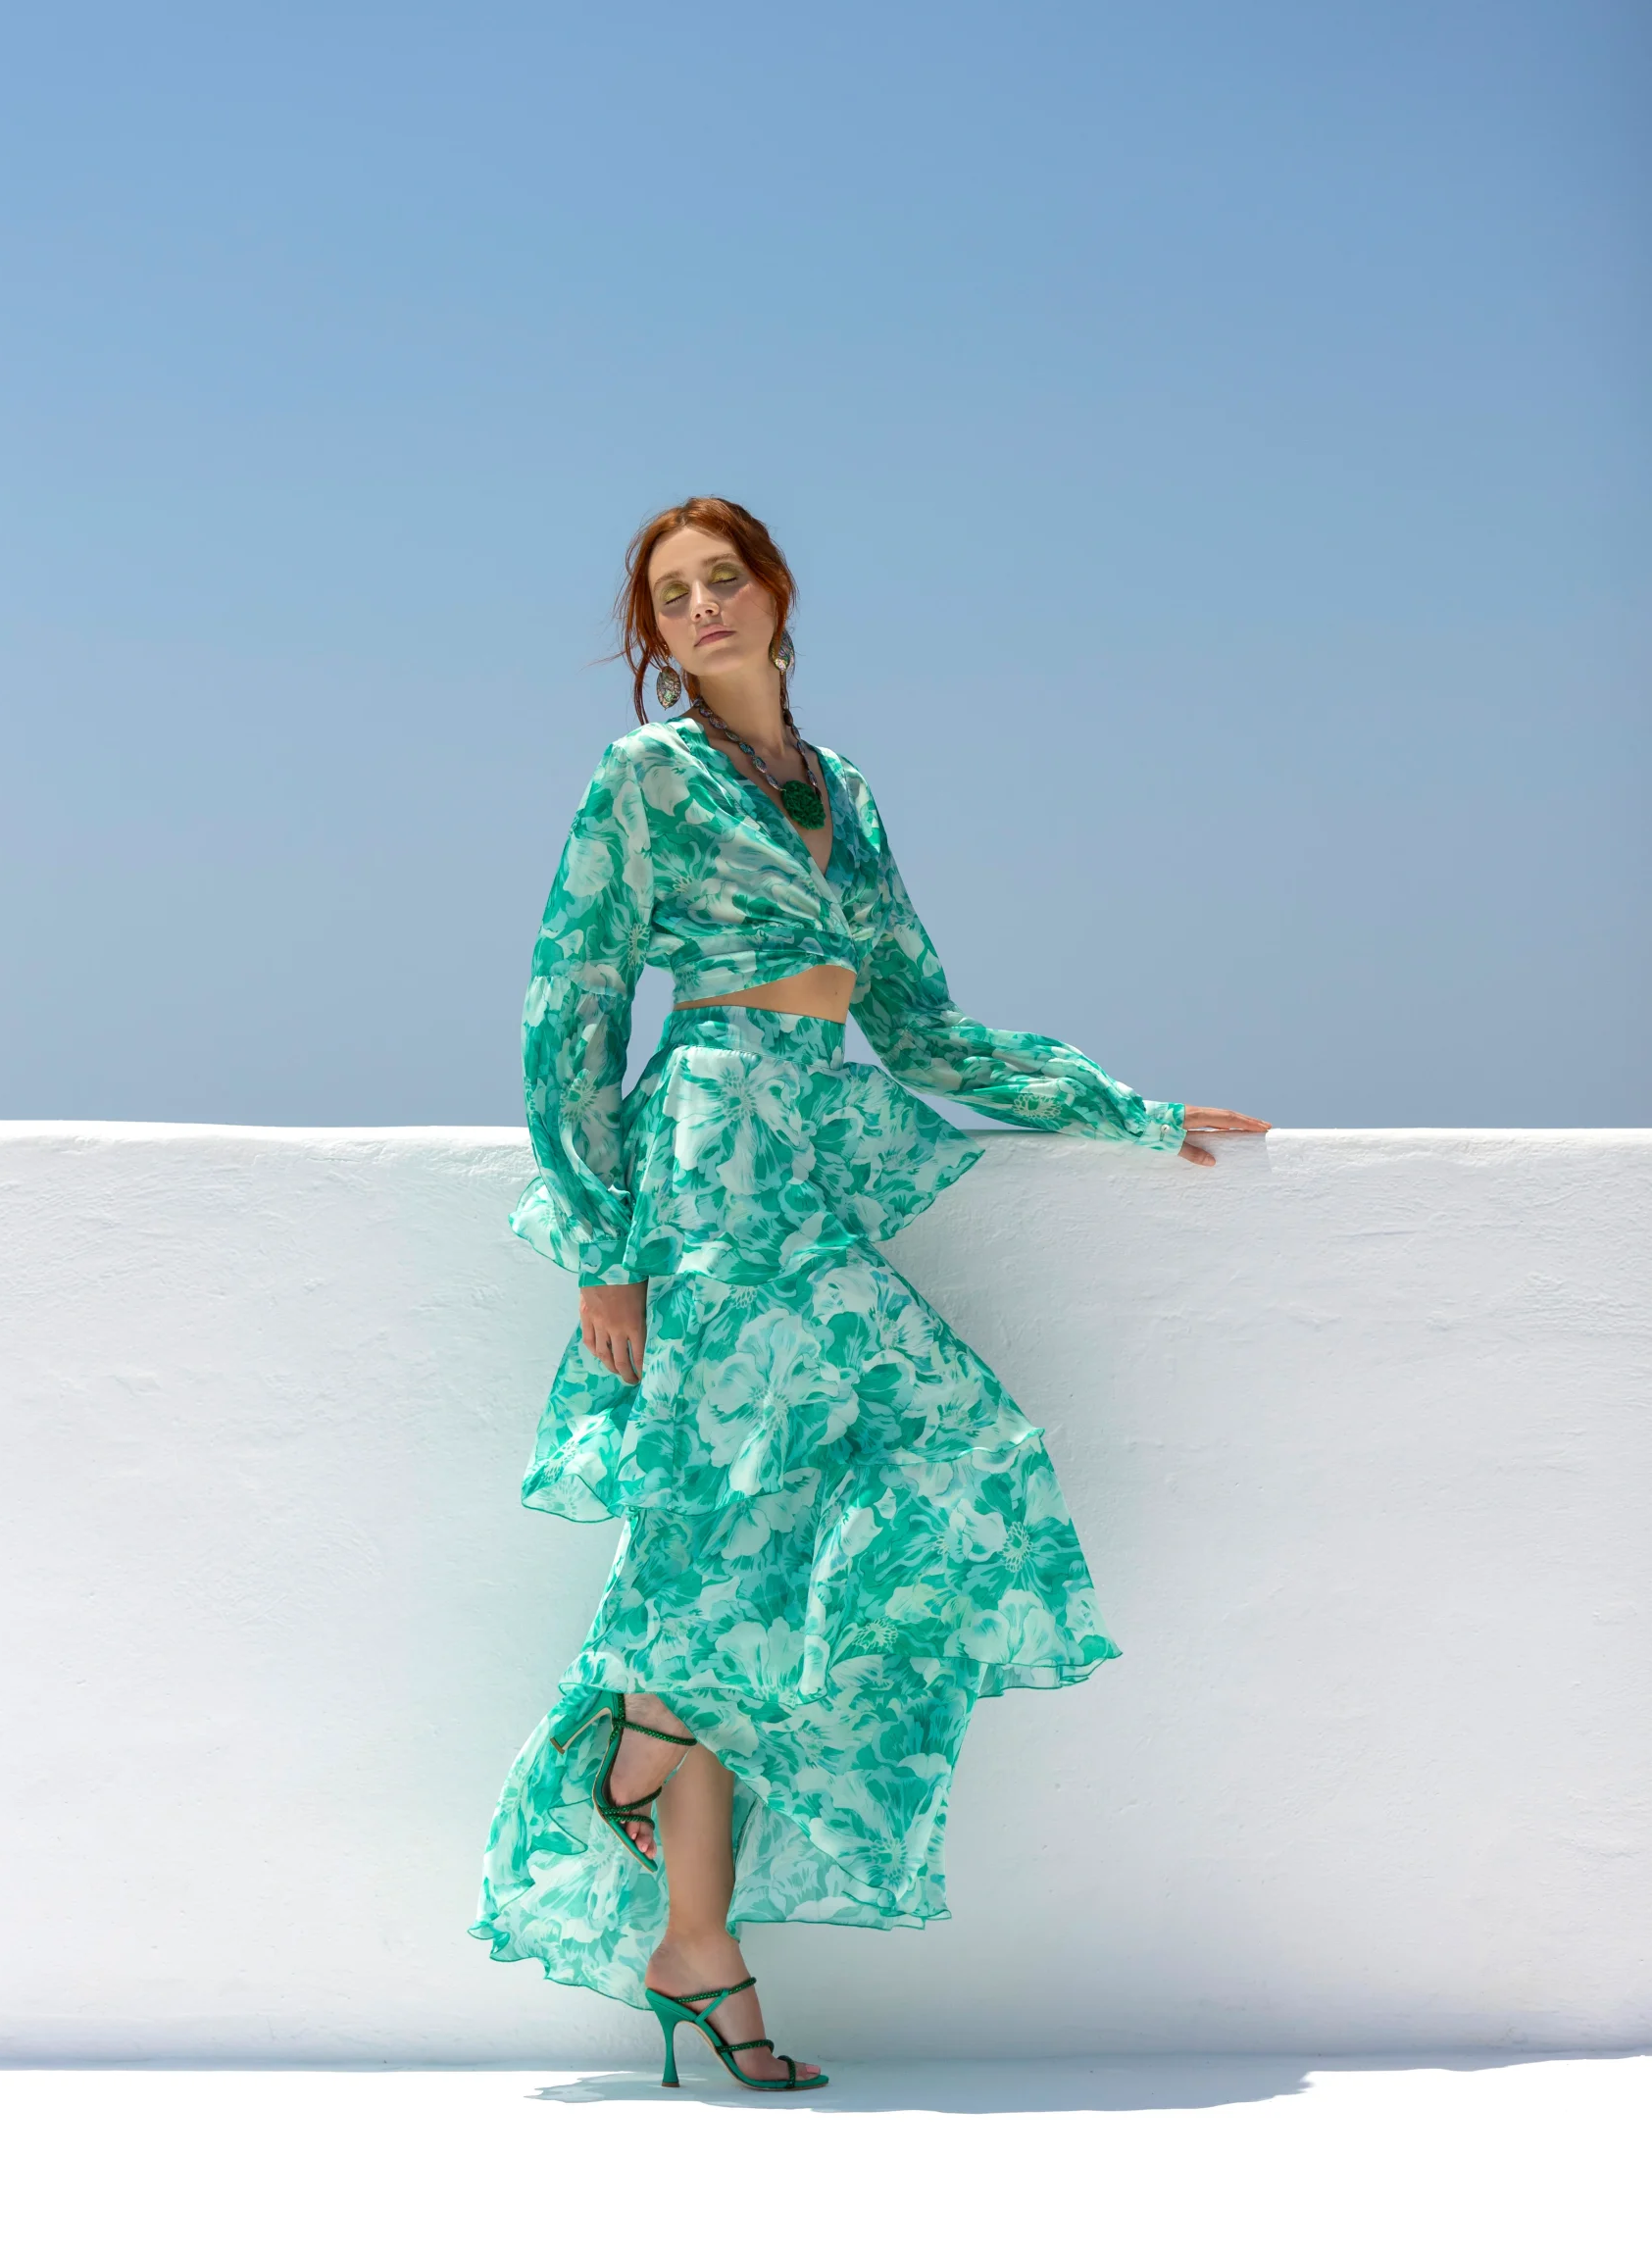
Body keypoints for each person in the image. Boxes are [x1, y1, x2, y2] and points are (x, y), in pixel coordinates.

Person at [472, 497, 1268, 2090]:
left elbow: (919, 1028)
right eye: (671, 597)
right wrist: (600, 1246)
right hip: (707, 1167)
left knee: (863, 1499)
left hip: (811, 1156)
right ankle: (667, 1804)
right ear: (654, 636)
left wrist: (1126, 1113)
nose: (702, 609)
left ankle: (687, 1921)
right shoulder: (645, 776)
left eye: (723, 580)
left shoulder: (844, 791)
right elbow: (569, 1003)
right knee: (728, 1533)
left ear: (775, 594)